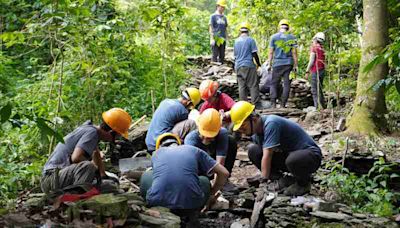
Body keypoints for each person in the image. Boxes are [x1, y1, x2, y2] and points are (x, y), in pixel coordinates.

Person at [230, 101, 322, 196]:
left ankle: (303, 184)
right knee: (253, 151)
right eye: (240, 129)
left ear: (253, 118)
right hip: (288, 156)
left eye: (243, 127)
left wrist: (263, 182)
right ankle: (281, 180)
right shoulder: (256, 134)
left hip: (310, 156)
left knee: (293, 160)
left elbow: (268, 155)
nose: (243, 131)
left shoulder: (271, 123)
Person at [140, 133, 229, 226]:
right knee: (204, 180)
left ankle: (150, 206)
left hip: (159, 203)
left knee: (147, 176)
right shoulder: (193, 150)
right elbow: (224, 173)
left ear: (159, 146)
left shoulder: (156, 154)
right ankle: (193, 214)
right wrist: (212, 193)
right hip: (192, 203)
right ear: (179, 144)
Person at [41, 108, 132, 193]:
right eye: (117, 136)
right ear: (111, 132)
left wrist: (103, 175)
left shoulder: (91, 130)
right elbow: (76, 158)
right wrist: (95, 170)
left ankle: (81, 191)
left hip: (56, 177)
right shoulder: (92, 133)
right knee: (89, 166)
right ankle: (77, 196)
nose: (116, 139)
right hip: (52, 179)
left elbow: (96, 153)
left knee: (106, 183)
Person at [185, 108, 237, 179]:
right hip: (200, 170)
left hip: (214, 165)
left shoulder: (222, 133)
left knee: (231, 140)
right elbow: (190, 167)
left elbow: (220, 162)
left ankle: (224, 181)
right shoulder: (190, 139)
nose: (207, 138)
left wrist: (218, 182)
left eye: (210, 136)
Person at [145, 88, 201, 153]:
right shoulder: (182, 111)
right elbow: (184, 131)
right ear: (189, 102)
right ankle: (187, 152)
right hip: (160, 144)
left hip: (149, 143)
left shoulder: (166, 101)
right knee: (191, 123)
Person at [266, 19, 298, 108]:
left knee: (274, 83)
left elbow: (271, 52)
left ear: (280, 26)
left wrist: (269, 63)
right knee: (286, 83)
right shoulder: (292, 37)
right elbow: (294, 52)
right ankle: (283, 104)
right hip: (288, 63)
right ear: (288, 27)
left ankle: (273, 103)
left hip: (277, 63)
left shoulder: (274, 37)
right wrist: (296, 65)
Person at [234, 22, 262, 107]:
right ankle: (255, 104)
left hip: (238, 66)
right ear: (248, 30)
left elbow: (235, 56)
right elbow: (254, 54)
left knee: (241, 86)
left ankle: (243, 105)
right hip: (249, 65)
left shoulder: (236, 41)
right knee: (253, 85)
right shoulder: (250, 40)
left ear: (240, 31)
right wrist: (259, 64)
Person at [306, 32, 326, 109]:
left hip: (315, 70)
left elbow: (311, 60)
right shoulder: (322, 49)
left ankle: (317, 107)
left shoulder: (314, 48)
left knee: (315, 90)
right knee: (320, 89)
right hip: (322, 70)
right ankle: (322, 106)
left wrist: (307, 71)